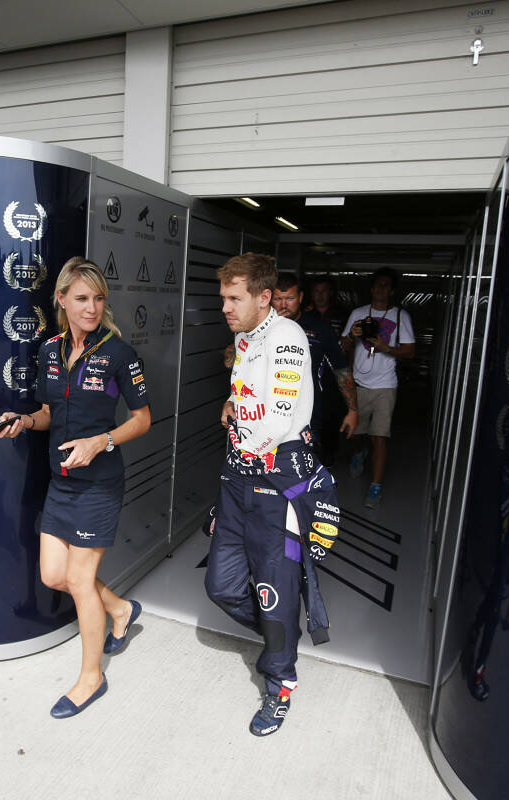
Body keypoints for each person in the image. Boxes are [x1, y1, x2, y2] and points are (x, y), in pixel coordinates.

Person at [0, 257, 151, 719]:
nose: (92, 308)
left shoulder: (119, 354)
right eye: (81, 298)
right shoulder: (49, 350)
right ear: (61, 299)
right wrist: (24, 421)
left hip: (99, 485)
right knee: (53, 576)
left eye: (98, 298)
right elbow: (48, 413)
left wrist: (102, 441)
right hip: (61, 484)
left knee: (80, 581)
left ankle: (91, 678)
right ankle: (120, 610)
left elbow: (142, 419)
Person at [207, 253, 341, 737]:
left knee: (274, 592)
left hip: (276, 481)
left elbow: (281, 418)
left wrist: (245, 451)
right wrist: (231, 402)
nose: (225, 307)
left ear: (264, 298)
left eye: (234, 298)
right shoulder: (245, 336)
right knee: (221, 585)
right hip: (238, 478)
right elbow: (250, 393)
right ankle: (278, 635)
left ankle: (280, 681)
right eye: (223, 297)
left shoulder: (287, 336)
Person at [340, 267, 415, 508]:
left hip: (386, 385)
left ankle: (375, 487)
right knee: (356, 434)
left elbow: (410, 351)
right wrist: (351, 336)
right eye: (378, 284)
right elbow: (343, 345)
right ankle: (358, 453)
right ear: (371, 289)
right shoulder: (358, 313)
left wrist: (387, 348)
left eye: (386, 285)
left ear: (392, 291)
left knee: (379, 437)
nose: (381, 289)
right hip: (359, 383)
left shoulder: (400, 316)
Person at [272, 273, 358, 464]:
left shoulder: (320, 329)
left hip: (306, 418)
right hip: (267, 416)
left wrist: (352, 410)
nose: (283, 305)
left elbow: (342, 370)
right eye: (278, 299)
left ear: (301, 297)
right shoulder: (262, 327)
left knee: (300, 469)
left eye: (290, 298)